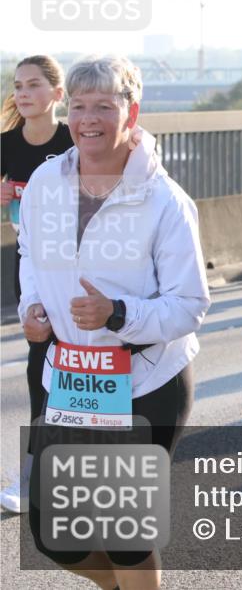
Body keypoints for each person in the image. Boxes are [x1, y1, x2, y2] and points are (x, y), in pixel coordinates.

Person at [18, 55, 210, 588]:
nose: (88, 118)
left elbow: (190, 304)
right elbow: (30, 252)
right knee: (56, 535)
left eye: (104, 105)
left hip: (145, 381)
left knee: (125, 538)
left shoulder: (164, 200)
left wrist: (118, 314)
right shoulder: (44, 180)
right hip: (71, 377)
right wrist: (32, 307)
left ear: (132, 110)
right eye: (78, 106)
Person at [0, 55, 74, 514]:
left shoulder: (74, 140)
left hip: (81, 271)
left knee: (84, 368)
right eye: (17, 85)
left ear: (57, 95)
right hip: (31, 274)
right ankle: (34, 478)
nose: (22, 93)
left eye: (32, 85)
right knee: (38, 372)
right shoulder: (6, 145)